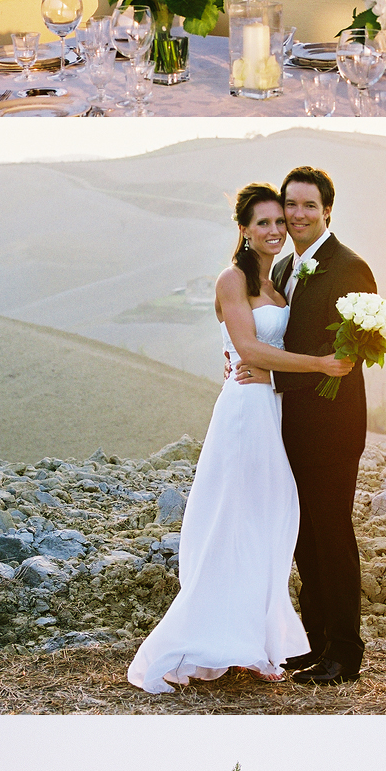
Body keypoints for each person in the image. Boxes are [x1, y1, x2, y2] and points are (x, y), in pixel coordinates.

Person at [126, 182, 350, 692]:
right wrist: (318, 365)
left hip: (273, 409)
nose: (276, 229)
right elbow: (248, 348)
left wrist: (285, 378)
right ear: (244, 230)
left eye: (280, 220)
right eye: (264, 223)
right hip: (246, 412)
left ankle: (254, 641)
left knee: (267, 524)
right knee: (236, 521)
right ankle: (207, 638)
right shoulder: (232, 280)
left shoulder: (281, 281)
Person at [275, 167, 380, 685]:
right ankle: (314, 643)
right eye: (290, 204)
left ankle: (345, 652)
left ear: (328, 211)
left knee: (332, 535)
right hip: (287, 424)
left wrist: (274, 370)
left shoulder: (349, 267)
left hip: (332, 426)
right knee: (303, 537)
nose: (297, 214)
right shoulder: (280, 270)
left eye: (308, 206)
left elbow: (346, 354)